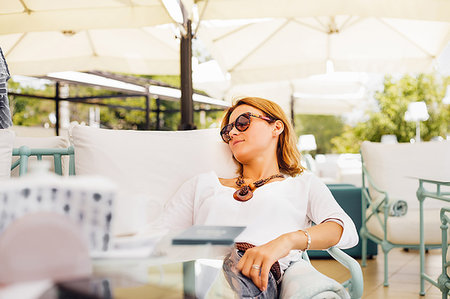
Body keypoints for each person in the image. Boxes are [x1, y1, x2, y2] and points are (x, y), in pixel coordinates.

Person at [163, 97, 358, 298]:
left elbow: (345, 230)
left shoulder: (302, 183)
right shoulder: (202, 184)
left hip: (252, 277)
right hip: (201, 271)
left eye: (242, 122)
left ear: (276, 127)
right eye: (227, 131)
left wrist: (286, 242)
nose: (232, 133)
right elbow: (162, 238)